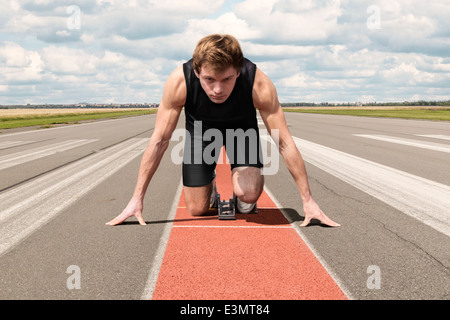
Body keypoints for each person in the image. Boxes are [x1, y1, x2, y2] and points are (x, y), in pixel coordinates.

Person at [106, 34, 340, 227]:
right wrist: (136, 199)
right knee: (197, 209)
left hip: (242, 130)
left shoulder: (258, 84)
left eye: (227, 79)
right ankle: (214, 189)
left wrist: (308, 201)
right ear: (197, 72)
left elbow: (285, 142)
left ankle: (245, 192)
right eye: (209, 79)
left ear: (238, 71)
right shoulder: (179, 81)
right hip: (200, 132)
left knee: (247, 195)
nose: (218, 89)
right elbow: (158, 141)